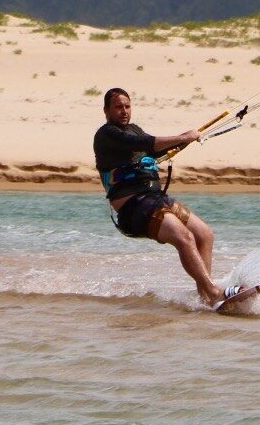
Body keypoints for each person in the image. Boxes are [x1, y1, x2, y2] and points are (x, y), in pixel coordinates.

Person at [93, 87, 230, 306]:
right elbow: (144, 145)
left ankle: (205, 298)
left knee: (204, 235)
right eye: (118, 107)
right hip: (132, 206)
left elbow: (154, 150)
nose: (124, 111)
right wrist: (182, 136)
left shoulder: (134, 129)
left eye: (127, 106)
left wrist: (183, 140)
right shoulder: (107, 134)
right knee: (184, 237)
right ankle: (213, 293)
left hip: (154, 199)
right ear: (106, 110)